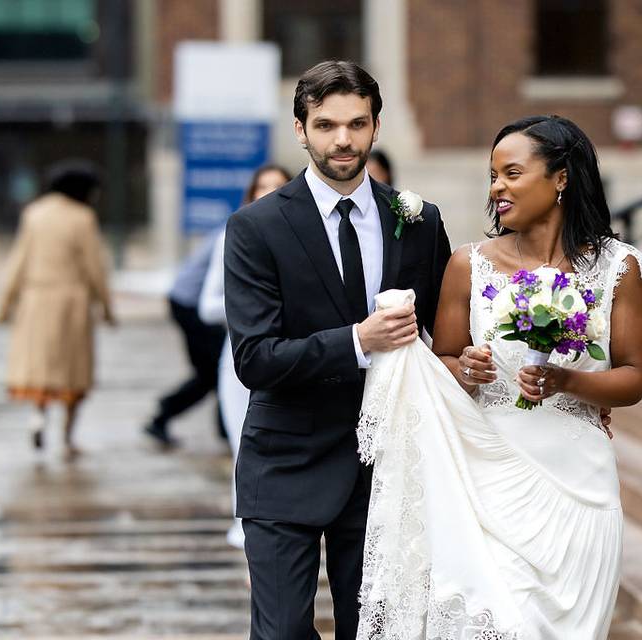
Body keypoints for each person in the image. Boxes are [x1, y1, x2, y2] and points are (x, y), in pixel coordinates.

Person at [355, 115, 642, 638]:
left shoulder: (620, 268)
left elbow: (633, 377)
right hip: (486, 475)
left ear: (560, 177)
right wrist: (466, 369)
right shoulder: (469, 265)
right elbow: (444, 358)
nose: (497, 188)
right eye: (493, 176)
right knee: (500, 622)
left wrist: (566, 381)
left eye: (511, 173)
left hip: (578, 485)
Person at [223, 60, 452, 640]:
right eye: (325, 125)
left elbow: (448, 339)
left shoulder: (419, 221)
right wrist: (358, 341)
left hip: (383, 469)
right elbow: (255, 359)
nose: (343, 139)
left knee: (371, 631)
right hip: (284, 461)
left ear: (377, 125)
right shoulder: (255, 227)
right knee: (279, 634)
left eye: (357, 123)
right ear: (300, 130)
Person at [199, 163, 292, 550]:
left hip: (294, 355)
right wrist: (254, 308)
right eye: (262, 187)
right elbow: (207, 306)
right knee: (245, 441)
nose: (269, 193)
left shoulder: (304, 236)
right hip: (242, 356)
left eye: (279, 187)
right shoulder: (234, 234)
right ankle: (248, 526)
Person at [0, 160, 115, 461]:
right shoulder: (82, 218)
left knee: (41, 368)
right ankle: (67, 437)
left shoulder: (34, 214)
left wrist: (5, 302)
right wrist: (106, 306)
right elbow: (94, 267)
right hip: (71, 303)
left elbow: (18, 261)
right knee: (74, 372)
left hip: (35, 301)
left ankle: (38, 416)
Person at [142, 229, 228, 448]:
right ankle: (166, 413)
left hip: (185, 301)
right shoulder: (238, 230)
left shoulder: (233, 226)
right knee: (217, 369)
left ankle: (165, 414)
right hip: (190, 304)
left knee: (213, 371)